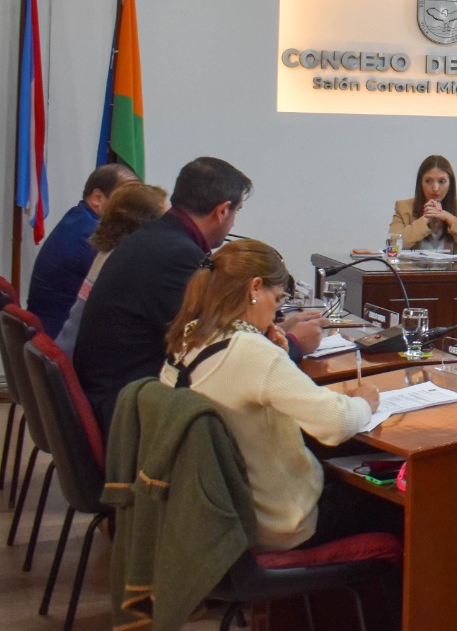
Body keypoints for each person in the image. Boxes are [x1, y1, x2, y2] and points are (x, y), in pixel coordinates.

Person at [159, 240, 382, 551]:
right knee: (396, 505)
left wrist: (274, 352)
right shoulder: (251, 351)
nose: (276, 312)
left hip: (214, 514)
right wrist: (364, 401)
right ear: (255, 288)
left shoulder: (187, 337)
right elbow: (336, 423)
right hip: (279, 522)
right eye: (277, 300)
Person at [74, 157, 323, 432]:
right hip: (129, 415)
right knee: (274, 429)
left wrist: (274, 330)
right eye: (236, 211)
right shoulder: (178, 256)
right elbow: (220, 357)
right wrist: (294, 344)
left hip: (113, 393)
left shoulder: (156, 237)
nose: (233, 223)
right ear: (222, 211)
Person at [26, 163, 140, 336]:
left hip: (47, 334)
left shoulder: (78, 216)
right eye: (126, 199)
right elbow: (123, 295)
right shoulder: (92, 235)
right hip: (61, 339)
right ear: (97, 198)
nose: (134, 209)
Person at [56, 182, 168, 356]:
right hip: (82, 359)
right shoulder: (126, 263)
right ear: (145, 224)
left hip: (69, 349)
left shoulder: (106, 253)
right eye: (165, 220)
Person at [388, 155, 457, 253]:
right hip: (414, 264)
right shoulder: (403, 207)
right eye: (428, 181)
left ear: (450, 183)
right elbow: (393, 245)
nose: (435, 188)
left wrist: (449, 218)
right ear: (420, 183)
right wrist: (425, 219)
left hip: (453, 264)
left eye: (442, 181)